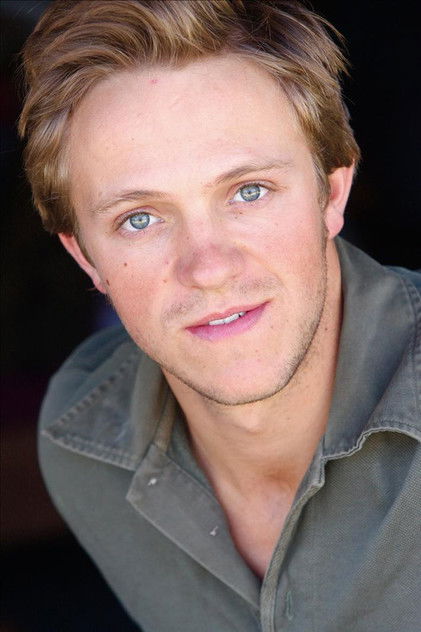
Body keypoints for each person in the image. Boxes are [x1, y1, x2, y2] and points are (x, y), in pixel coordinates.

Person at [19, 1, 420, 630]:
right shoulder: (86, 445)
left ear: (332, 194)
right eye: (139, 219)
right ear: (85, 257)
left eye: (248, 191)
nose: (208, 268)